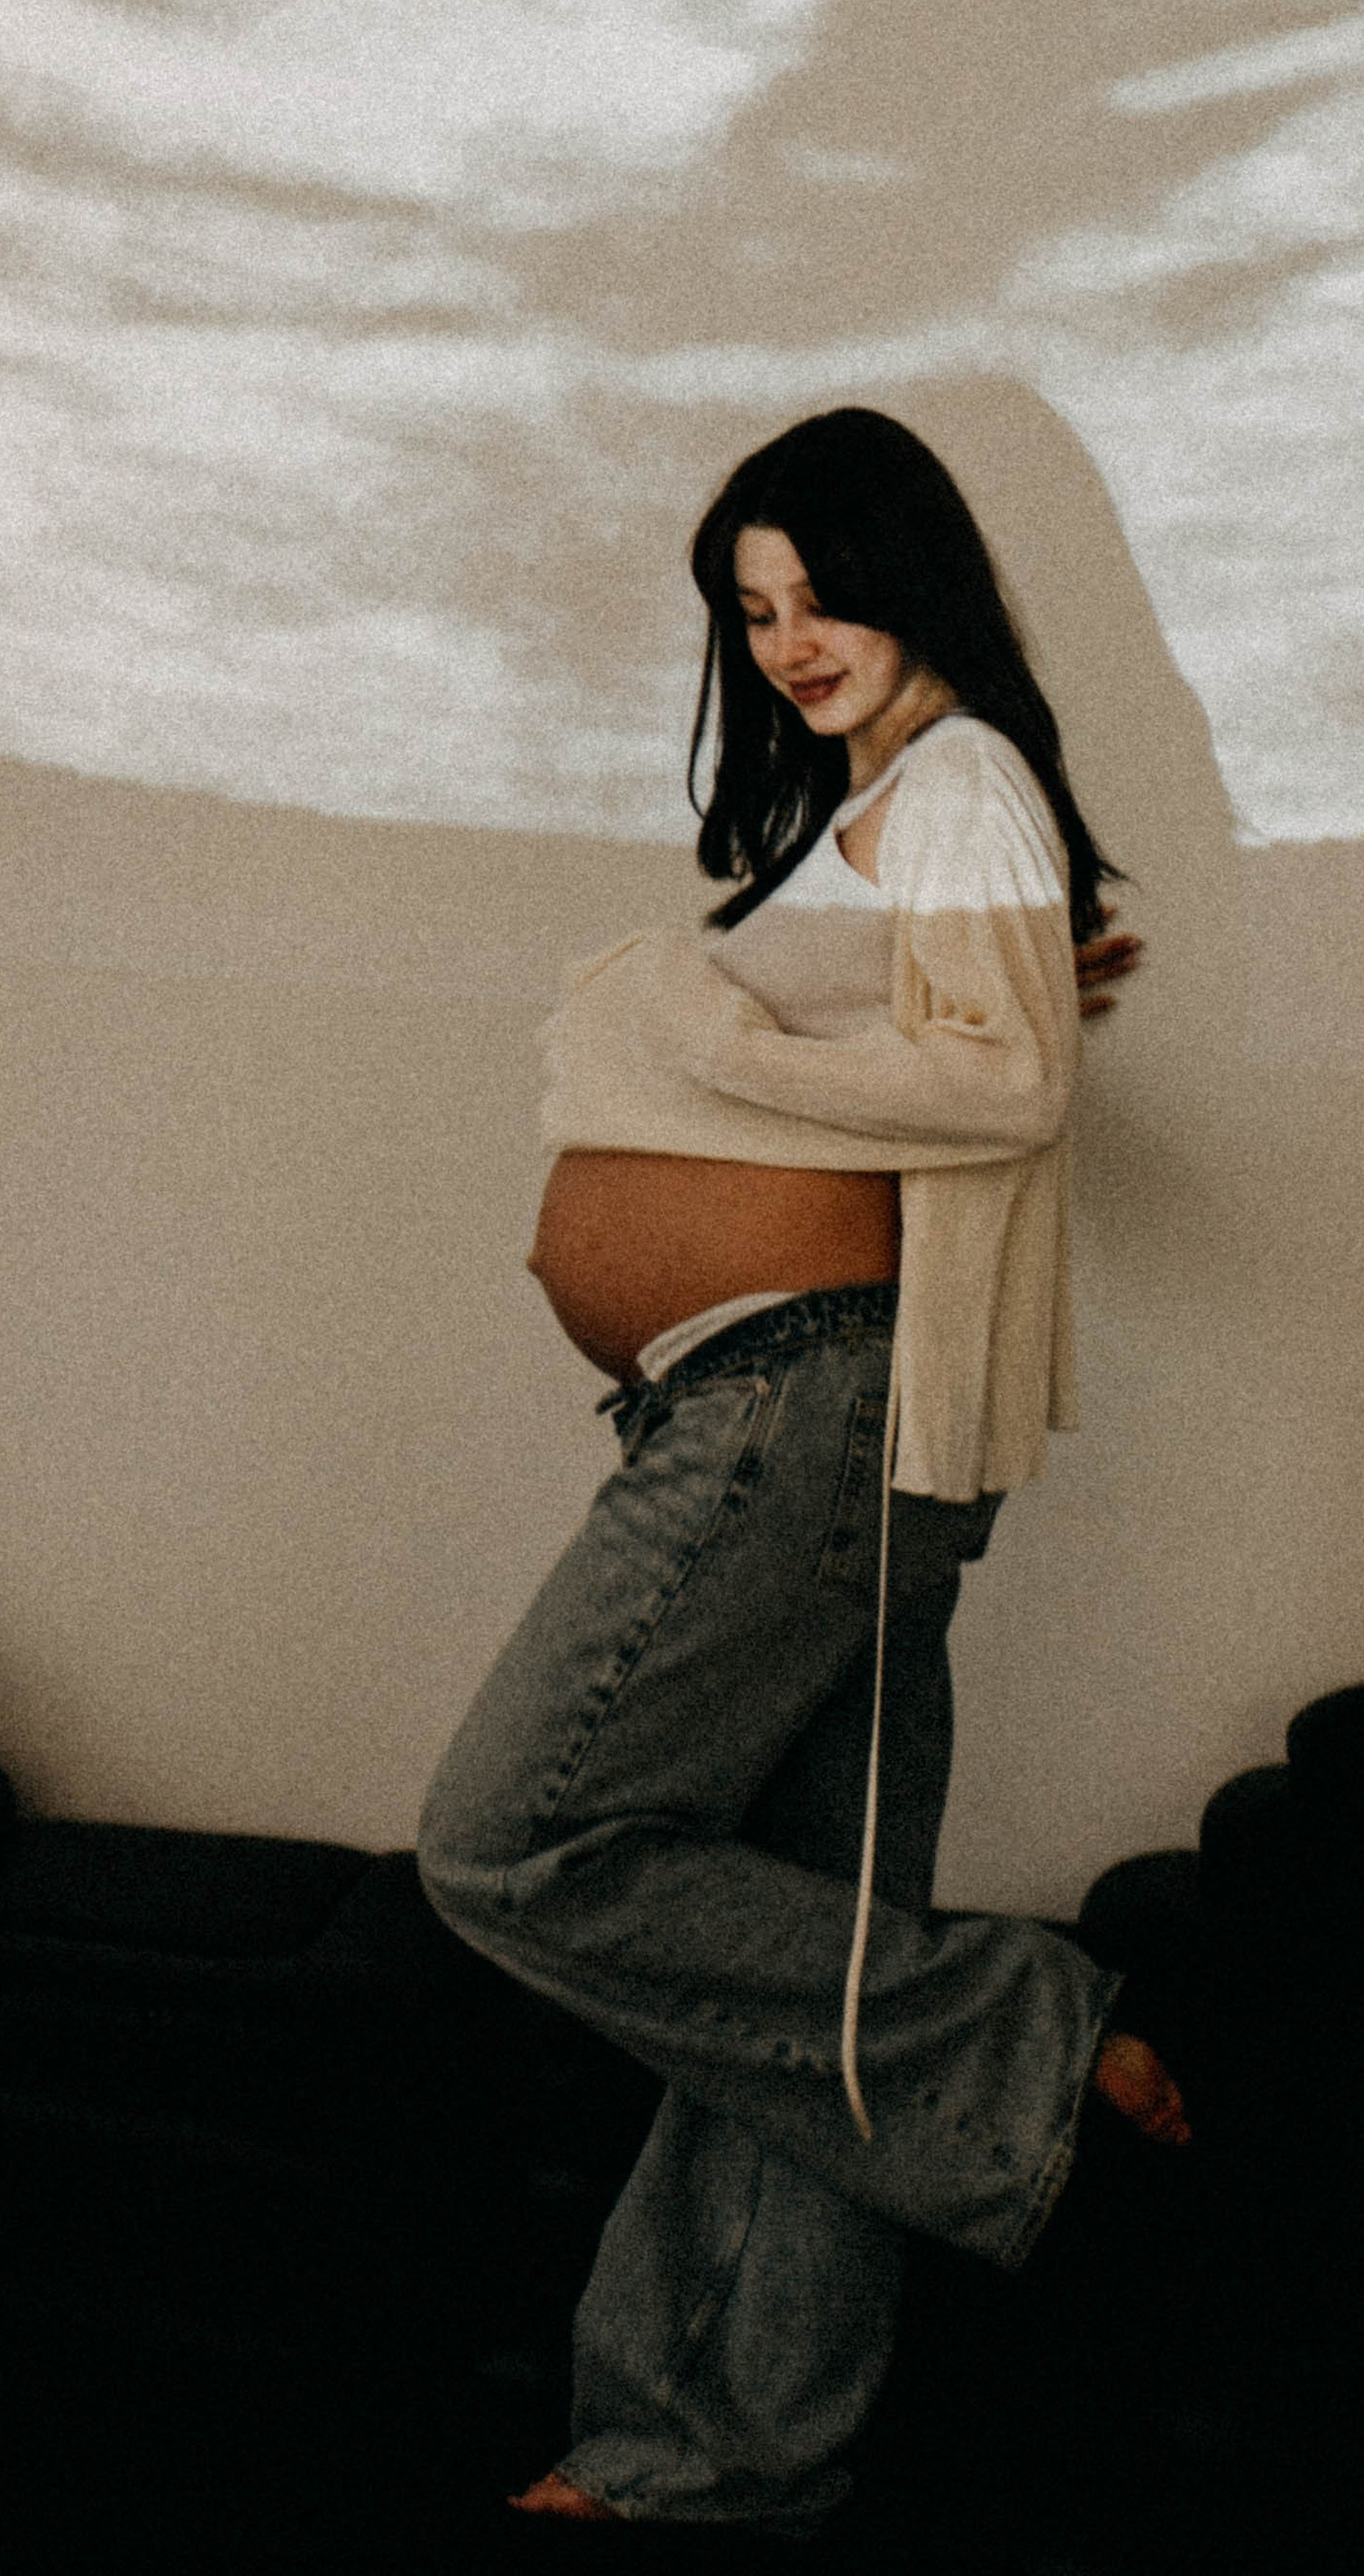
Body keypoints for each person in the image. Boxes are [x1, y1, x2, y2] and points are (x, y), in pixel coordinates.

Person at [416, 405, 1189, 2537]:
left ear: (907, 571)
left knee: (514, 1842)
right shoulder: (901, 805)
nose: (784, 640)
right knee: (791, 1963)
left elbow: (999, 1084)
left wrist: (682, 1008)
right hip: (779, 1405)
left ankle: (1018, 2032)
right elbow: (970, 1037)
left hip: (812, 1407)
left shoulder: (955, 779)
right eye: (747, 613)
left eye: (815, 591)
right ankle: (711, 2466)